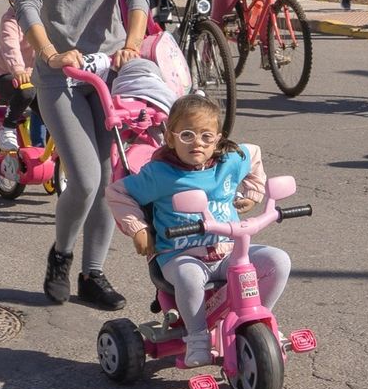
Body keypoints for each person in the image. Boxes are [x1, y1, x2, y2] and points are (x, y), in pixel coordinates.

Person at [12, 0, 148, 310]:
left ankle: (94, 274)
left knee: (113, 179)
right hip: (59, 75)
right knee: (87, 178)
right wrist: (49, 53)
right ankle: (61, 256)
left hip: (108, 72)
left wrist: (131, 43)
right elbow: (26, 1)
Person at [106, 94, 283, 368]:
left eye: (206, 136)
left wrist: (253, 191)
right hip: (180, 254)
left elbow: (255, 156)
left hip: (227, 253)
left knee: (277, 261)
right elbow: (118, 193)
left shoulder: (230, 161)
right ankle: (198, 337)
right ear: (170, 136)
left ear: (218, 138)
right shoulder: (160, 174)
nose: (197, 143)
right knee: (189, 276)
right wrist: (138, 228)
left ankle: (256, 324)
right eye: (187, 135)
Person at [0, 0, 36, 152]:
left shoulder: (46, 16)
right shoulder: (11, 20)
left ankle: (46, 149)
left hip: (38, 76)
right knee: (27, 91)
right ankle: (8, 127)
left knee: (56, 109)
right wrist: (18, 69)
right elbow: (11, 47)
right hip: (9, 77)